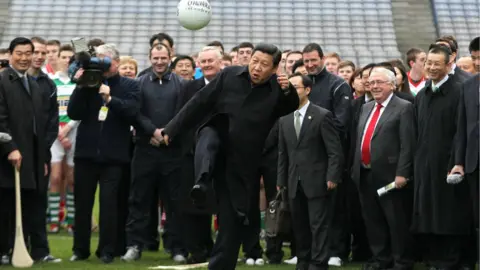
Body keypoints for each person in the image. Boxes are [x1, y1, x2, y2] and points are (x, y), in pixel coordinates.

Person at [161, 43, 299, 270]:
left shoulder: (278, 89)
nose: (257, 68)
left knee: (232, 218)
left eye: (264, 65)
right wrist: (172, 128)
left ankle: (221, 265)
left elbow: (290, 107)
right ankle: (202, 182)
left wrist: (287, 89)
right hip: (216, 136)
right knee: (209, 135)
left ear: (274, 69)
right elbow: (199, 101)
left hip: (243, 160)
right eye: (255, 61)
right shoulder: (229, 75)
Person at [68, 44, 140, 264]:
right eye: (97, 59)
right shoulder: (88, 83)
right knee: (82, 205)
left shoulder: (129, 85)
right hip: (86, 154)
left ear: (116, 62)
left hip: (114, 156)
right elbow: (74, 112)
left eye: (104, 60)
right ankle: (80, 250)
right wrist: (80, 86)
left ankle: (107, 250)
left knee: (110, 205)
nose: (100, 64)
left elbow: (132, 112)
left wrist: (111, 100)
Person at [122, 43, 187, 263]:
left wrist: (168, 133)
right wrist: (151, 131)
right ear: (149, 58)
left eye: (163, 57)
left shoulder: (181, 83)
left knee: (174, 201)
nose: (159, 62)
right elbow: (133, 113)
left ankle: (176, 246)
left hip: (172, 151)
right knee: (139, 200)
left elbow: (184, 113)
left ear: (170, 57)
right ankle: (134, 245)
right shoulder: (138, 83)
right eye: (155, 58)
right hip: (144, 150)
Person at [411, 44, 473, 269]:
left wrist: (457, 162)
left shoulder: (461, 90)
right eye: (428, 63)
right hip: (425, 165)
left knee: (450, 216)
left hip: (449, 165)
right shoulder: (424, 91)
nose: (431, 67)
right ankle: (434, 260)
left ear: (449, 64)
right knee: (428, 214)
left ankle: (453, 261)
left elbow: (462, 131)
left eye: (437, 64)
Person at [278, 73, 343, 270]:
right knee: (299, 226)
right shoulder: (284, 118)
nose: (292, 91)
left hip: (318, 181)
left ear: (307, 90)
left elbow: (334, 150)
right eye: (290, 88)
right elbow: (283, 153)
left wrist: (332, 176)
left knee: (318, 226)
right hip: (293, 182)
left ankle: (318, 263)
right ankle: (303, 261)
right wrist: (281, 180)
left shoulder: (322, 115)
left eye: (296, 87)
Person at [352, 67, 416, 270]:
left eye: (380, 82)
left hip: (391, 176)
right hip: (365, 173)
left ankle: (401, 262)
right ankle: (381, 260)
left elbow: (408, 144)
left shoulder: (404, 107)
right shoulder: (366, 107)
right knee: (373, 221)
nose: (375, 86)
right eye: (371, 83)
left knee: (396, 222)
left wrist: (403, 173)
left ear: (392, 84)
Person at [0, 37, 50, 265]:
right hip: (7, 157)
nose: (24, 58)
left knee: (31, 205)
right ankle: (3, 249)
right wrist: (10, 147)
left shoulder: (35, 84)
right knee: (6, 207)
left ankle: (26, 248)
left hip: (32, 157)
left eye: (28, 53)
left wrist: (43, 158)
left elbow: (40, 124)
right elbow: (0, 119)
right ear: (10, 55)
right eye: (19, 53)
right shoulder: (2, 80)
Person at [27, 36, 61, 263]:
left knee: (38, 203)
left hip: (40, 154)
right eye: (35, 52)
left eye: (43, 53)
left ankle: (40, 251)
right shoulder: (9, 81)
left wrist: (43, 148)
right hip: (13, 153)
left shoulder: (48, 84)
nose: (39, 57)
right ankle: (9, 249)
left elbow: (52, 121)